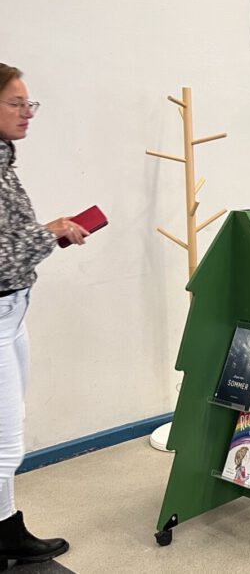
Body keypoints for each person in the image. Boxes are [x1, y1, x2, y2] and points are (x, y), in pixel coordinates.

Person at [0, 64, 79, 564]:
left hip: (13, 310)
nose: (27, 113)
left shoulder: (4, 162)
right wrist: (51, 231)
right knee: (6, 443)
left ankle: (7, 527)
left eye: (30, 104)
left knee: (12, 428)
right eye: (15, 103)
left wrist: (51, 233)